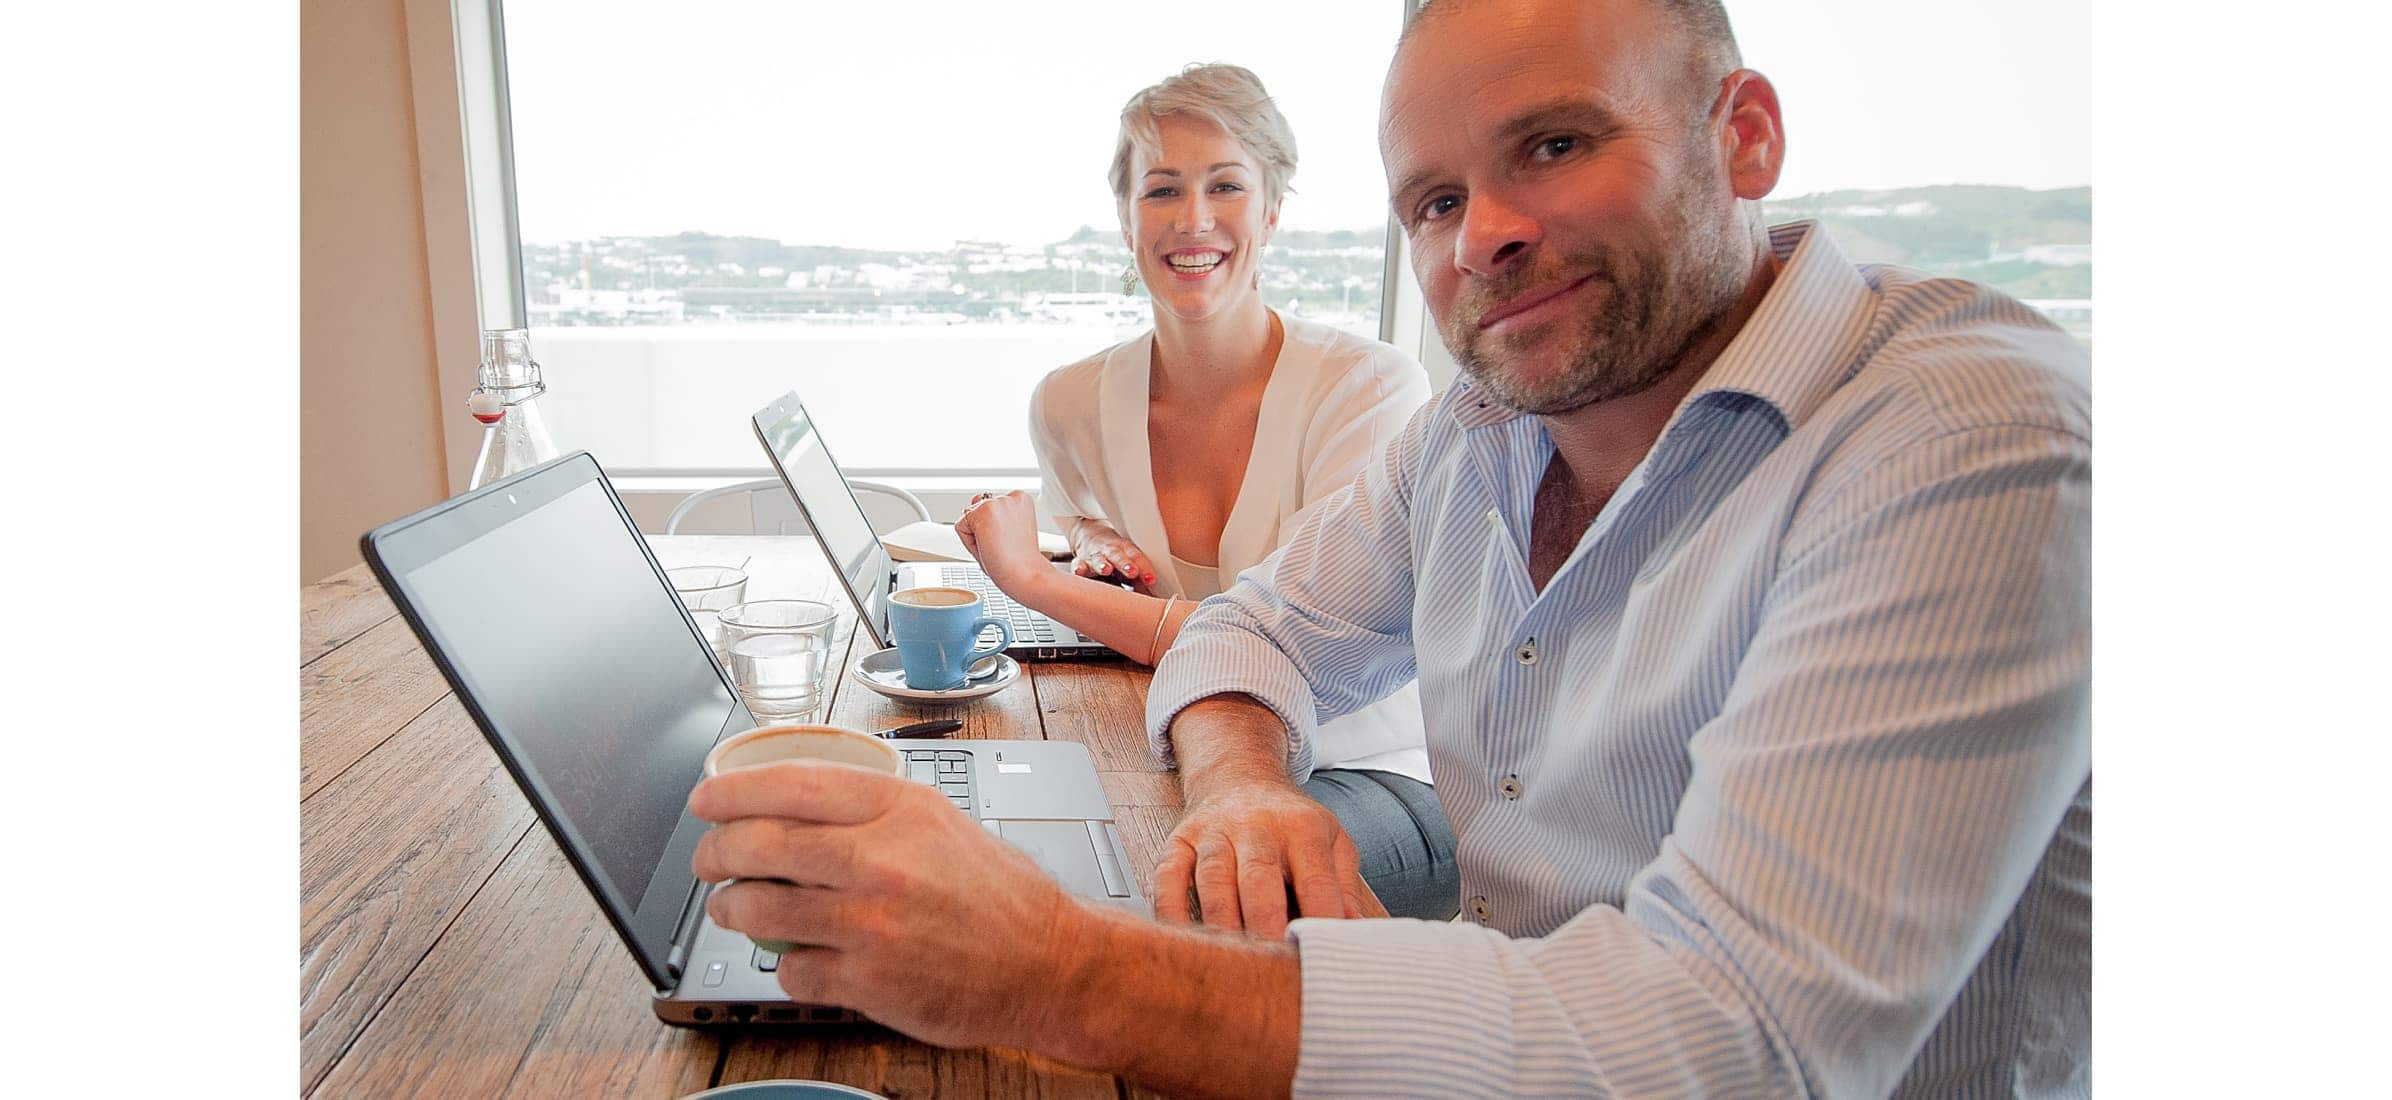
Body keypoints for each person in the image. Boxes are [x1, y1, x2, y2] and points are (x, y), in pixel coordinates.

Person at [687, 1, 2092, 1096]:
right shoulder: (1479, 430)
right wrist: (1244, 785)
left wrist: (1053, 968)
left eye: (1554, 145)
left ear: (1747, 137)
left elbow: (1725, 1050)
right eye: (1433, 200)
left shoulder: (1965, 436)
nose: (1487, 235)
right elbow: (1250, 631)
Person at [953, 63, 1457, 923]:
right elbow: (1084, 516)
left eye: (1225, 185)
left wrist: (1036, 584)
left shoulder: (1370, 391)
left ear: (1270, 209)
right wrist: (1087, 539)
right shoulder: (1068, 403)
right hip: (1186, 757)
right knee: (1006, 846)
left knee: (1173, 898)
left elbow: (1262, 638)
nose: (1193, 220)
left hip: (1373, 770)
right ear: (1125, 218)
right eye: (1161, 190)